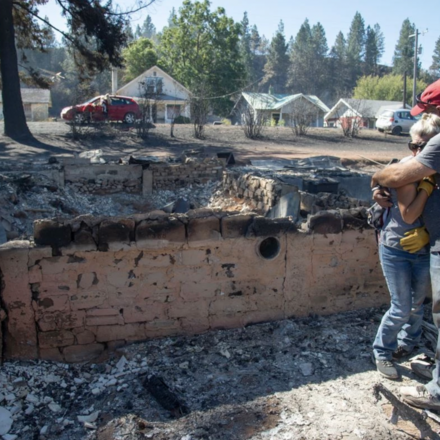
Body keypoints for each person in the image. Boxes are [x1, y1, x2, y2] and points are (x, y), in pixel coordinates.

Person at [371, 78, 440, 410]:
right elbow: (407, 212)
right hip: (398, 247)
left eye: (421, 147)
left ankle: (408, 345)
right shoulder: (412, 169)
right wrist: (380, 184)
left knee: (416, 305)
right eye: (413, 147)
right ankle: (382, 351)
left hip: (424, 248)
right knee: (403, 305)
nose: (416, 152)